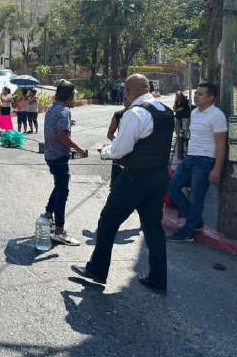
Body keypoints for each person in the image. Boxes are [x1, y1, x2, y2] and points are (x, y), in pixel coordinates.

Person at [72, 74, 174, 295]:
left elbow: (121, 148)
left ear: (128, 92)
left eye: (124, 93)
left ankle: (97, 270)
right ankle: (158, 279)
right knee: (153, 228)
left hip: (134, 178)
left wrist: (105, 153)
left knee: (108, 221)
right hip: (158, 177)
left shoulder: (136, 113)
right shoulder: (166, 111)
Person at [167, 83, 227, 243]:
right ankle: (196, 219)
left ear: (210, 98)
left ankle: (188, 231)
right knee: (172, 187)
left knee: (196, 196)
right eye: (196, 93)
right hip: (190, 157)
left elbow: (221, 144)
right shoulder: (194, 112)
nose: (196, 96)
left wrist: (217, 169)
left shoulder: (217, 115)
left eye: (200, 94)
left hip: (206, 159)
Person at [43, 80, 87, 246]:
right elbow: (62, 136)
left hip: (50, 155)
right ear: (70, 96)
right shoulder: (65, 111)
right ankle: (59, 231)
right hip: (59, 157)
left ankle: (48, 215)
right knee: (63, 191)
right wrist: (80, 148)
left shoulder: (52, 107)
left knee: (59, 185)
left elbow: (56, 127)